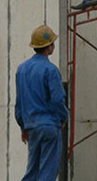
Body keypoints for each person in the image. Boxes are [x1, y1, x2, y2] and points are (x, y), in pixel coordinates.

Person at [15, 25, 68, 181]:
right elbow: (57, 100)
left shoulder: (22, 69)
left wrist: (23, 126)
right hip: (49, 125)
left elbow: (20, 103)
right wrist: (64, 117)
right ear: (49, 46)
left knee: (32, 171)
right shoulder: (50, 70)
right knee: (47, 172)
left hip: (31, 126)